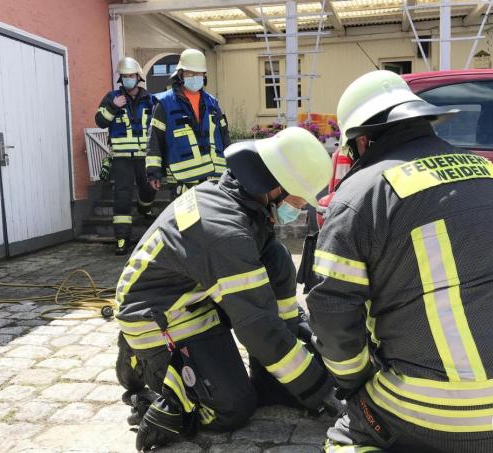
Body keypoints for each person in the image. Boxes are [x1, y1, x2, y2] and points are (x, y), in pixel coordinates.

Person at [305, 70, 493, 452]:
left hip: (449, 410)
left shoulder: (359, 194)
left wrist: (355, 382)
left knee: (348, 432)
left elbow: (332, 310)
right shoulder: (489, 172)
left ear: (361, 140)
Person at [114, 127, 343, 452]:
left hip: (195, 298)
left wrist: (299, 338)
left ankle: (270, 382)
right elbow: (258, 327)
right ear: (273, 185)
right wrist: (320, 390)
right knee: (231, 408)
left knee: (277, 260)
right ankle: (155, 383)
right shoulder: (224, 231)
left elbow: (270, 310)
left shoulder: (242, 203)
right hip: (157, 316)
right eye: (296, 200)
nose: (299, 209)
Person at [146, 48, 230, 200]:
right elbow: (155, 139)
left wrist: (232, 166)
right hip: (183, 179)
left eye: (199, 73)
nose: (195, 77)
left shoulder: (212, 103)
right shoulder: (164, 103)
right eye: (190, 73)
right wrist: (153, 172)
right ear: (180, 74)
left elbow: (224, 136)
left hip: (214, 178)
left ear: (204, 75)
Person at [94, 57, 158, 255]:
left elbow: (159, 127)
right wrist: (113, 107)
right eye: (124, 76)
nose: (128, 79)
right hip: (121, 158)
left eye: (131, 75)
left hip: (145, 157)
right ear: (120, 78)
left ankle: (144, 208)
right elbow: (100, 121)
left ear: (138, 77)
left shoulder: (151, 100)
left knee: (148, 189)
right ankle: (122, 238)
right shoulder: (111, 97)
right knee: (122, 196)